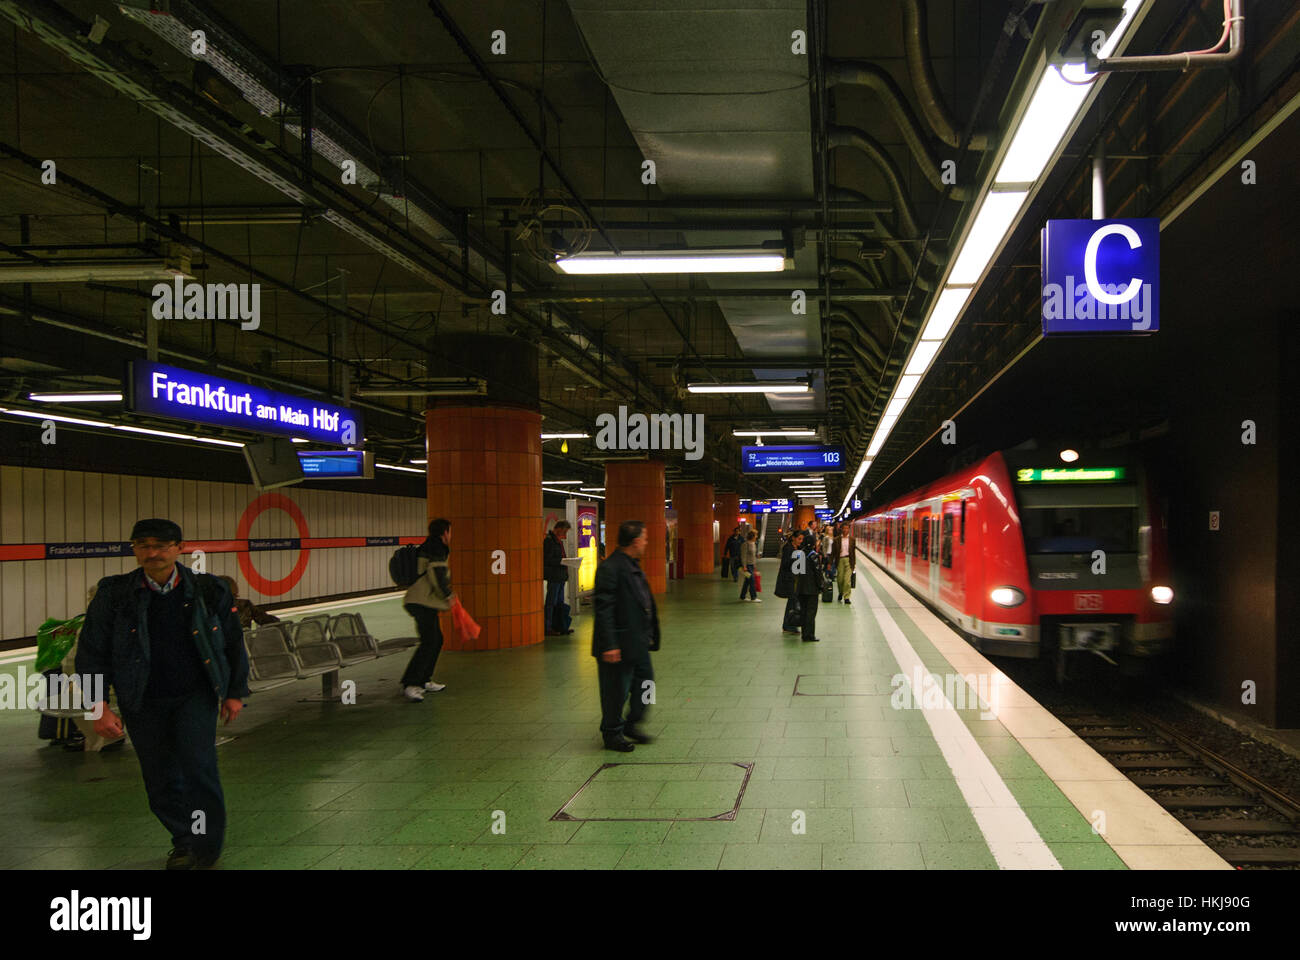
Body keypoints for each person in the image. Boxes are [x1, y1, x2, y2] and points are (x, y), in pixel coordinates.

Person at [77, 518, 248, 870]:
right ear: (134, 549)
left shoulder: (208, 589)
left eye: (161, 545)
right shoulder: (114, 594)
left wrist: (234, 692)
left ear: (179, 548)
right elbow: (92, 652)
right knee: (159, 776)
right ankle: (183, 840)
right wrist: (98, 707)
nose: (152, 553)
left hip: (195, 696)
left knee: (199, 770)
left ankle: (205, 845)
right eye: (143, 545)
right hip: (141, 700)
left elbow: (232, 644)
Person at [592, 520, 659, 752]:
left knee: (648, 684)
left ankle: (633, 722)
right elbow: (604, 609)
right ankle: (612, 733)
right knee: (615, 692)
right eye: (645, 538)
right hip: (617, 645)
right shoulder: (610, 568)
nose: (646, 543)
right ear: (635, 541)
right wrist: (609, 645)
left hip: (637, 642)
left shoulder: (632, 564)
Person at [401, 518, 455, 702]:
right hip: (420, 601)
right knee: (429, 640)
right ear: (444, 533)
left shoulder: (429, 546)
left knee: (436, 639)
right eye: (450, 531)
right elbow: (437, 575)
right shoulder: (436, 548)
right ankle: (411, 684)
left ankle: (424, 680)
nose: (451, 535)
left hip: (423, 601)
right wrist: (448, 595)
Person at [543, 520, 574, 636]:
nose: (565, 534)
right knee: (551, 603)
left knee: (560, 603)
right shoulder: (549, 541)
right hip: (554, 577)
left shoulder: (558, 542)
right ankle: (548, 627)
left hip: (560, 577)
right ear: (558, 529)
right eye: (564, 531)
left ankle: (560, 625)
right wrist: (561, 561)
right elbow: (546, 560)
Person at [794, 531, 825, 642]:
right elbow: (818, 573)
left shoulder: (798, 554)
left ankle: (803, 634)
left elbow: (795, 571)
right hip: (812, 590)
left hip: (801, 588)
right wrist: (821, 586)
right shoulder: (814, 556)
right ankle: (809, 635)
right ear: (813, 544)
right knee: (811, 613)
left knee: (803, 611)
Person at [775, 530, 804, 634]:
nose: (801, 541)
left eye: (802, 539)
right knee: (792, 601)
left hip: (796, 578)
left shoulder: (799, 548)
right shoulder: (788, 548)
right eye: (799, 539)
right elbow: (785, 564)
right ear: (794, 538)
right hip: (789, 579)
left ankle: (790, 624)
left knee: (793, 602)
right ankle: (788, 625)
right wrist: (796, 558)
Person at [829, 522, 856, 604]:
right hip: (840, 560)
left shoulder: (852, 539)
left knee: (847, 580)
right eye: (844, 528)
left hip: (849, 560)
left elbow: (853, 552)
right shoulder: (836, 540)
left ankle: (846, 597)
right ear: (841, 529)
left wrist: (854, 564)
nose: (845, 530)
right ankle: (841, 592)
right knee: (840, 579)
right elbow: (833, 553)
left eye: (847, 528)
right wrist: (829, 563)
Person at [738, 530, 761, 602]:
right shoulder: (745, 544)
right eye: (756, 535)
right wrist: (744, 566)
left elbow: (753, 556)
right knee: (752, 581)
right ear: (752, 536)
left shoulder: (753, 544)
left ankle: (742, 596)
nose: (757, 537)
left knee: (747, 581)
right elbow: (743, 556)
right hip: (747, 565)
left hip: (751, 565)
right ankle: (753, 597)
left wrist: (754, 565)